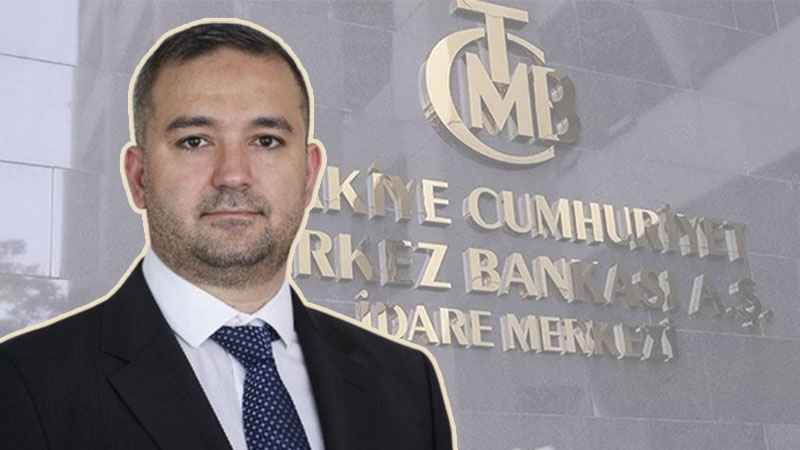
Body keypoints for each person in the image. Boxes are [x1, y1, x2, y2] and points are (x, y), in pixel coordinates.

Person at [0, 19, 455, 450]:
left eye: (266, 140)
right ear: (139, 177)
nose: (233, 175)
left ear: (310, 174)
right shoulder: (23, 384)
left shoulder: (409, 383)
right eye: (195, 141)